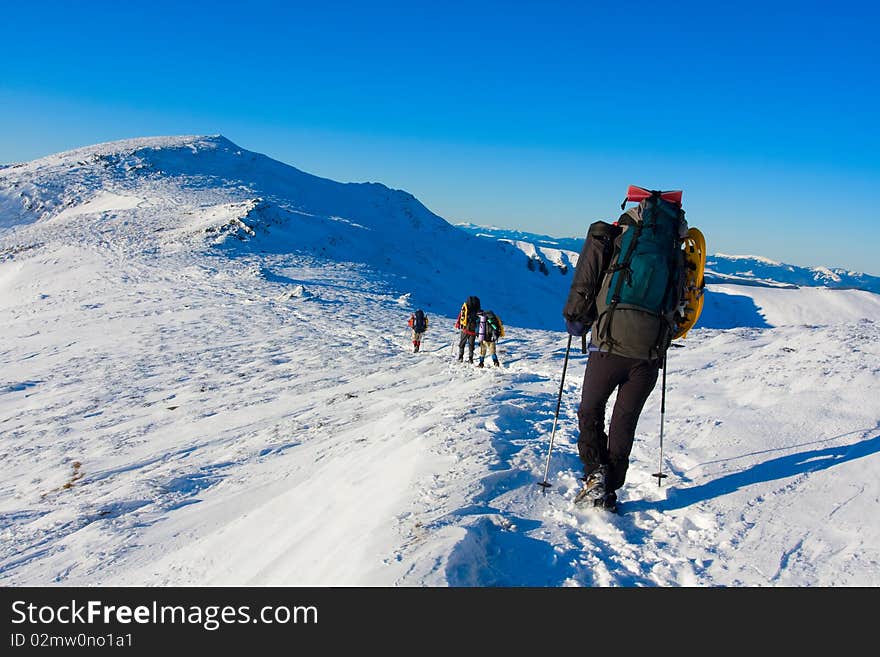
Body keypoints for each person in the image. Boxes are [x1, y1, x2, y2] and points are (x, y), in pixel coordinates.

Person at [562, 194, 687, 512]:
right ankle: (610, 489)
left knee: (590, 410)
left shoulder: (618, 237)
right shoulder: (674, 249)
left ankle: (595, 476)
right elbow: (683, 303)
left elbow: (587, 279)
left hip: (608, 345)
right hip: (647, 354)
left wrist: (576, 319)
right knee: (624, 422)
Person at [454, 296, 481, 363]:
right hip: (473, 331)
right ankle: (470, 359)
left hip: (465, 329)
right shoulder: (478, 310)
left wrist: (458, 323)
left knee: (462, 344)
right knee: (471, 345)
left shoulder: (465, 308)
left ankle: (460, 357)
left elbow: (460, 315)